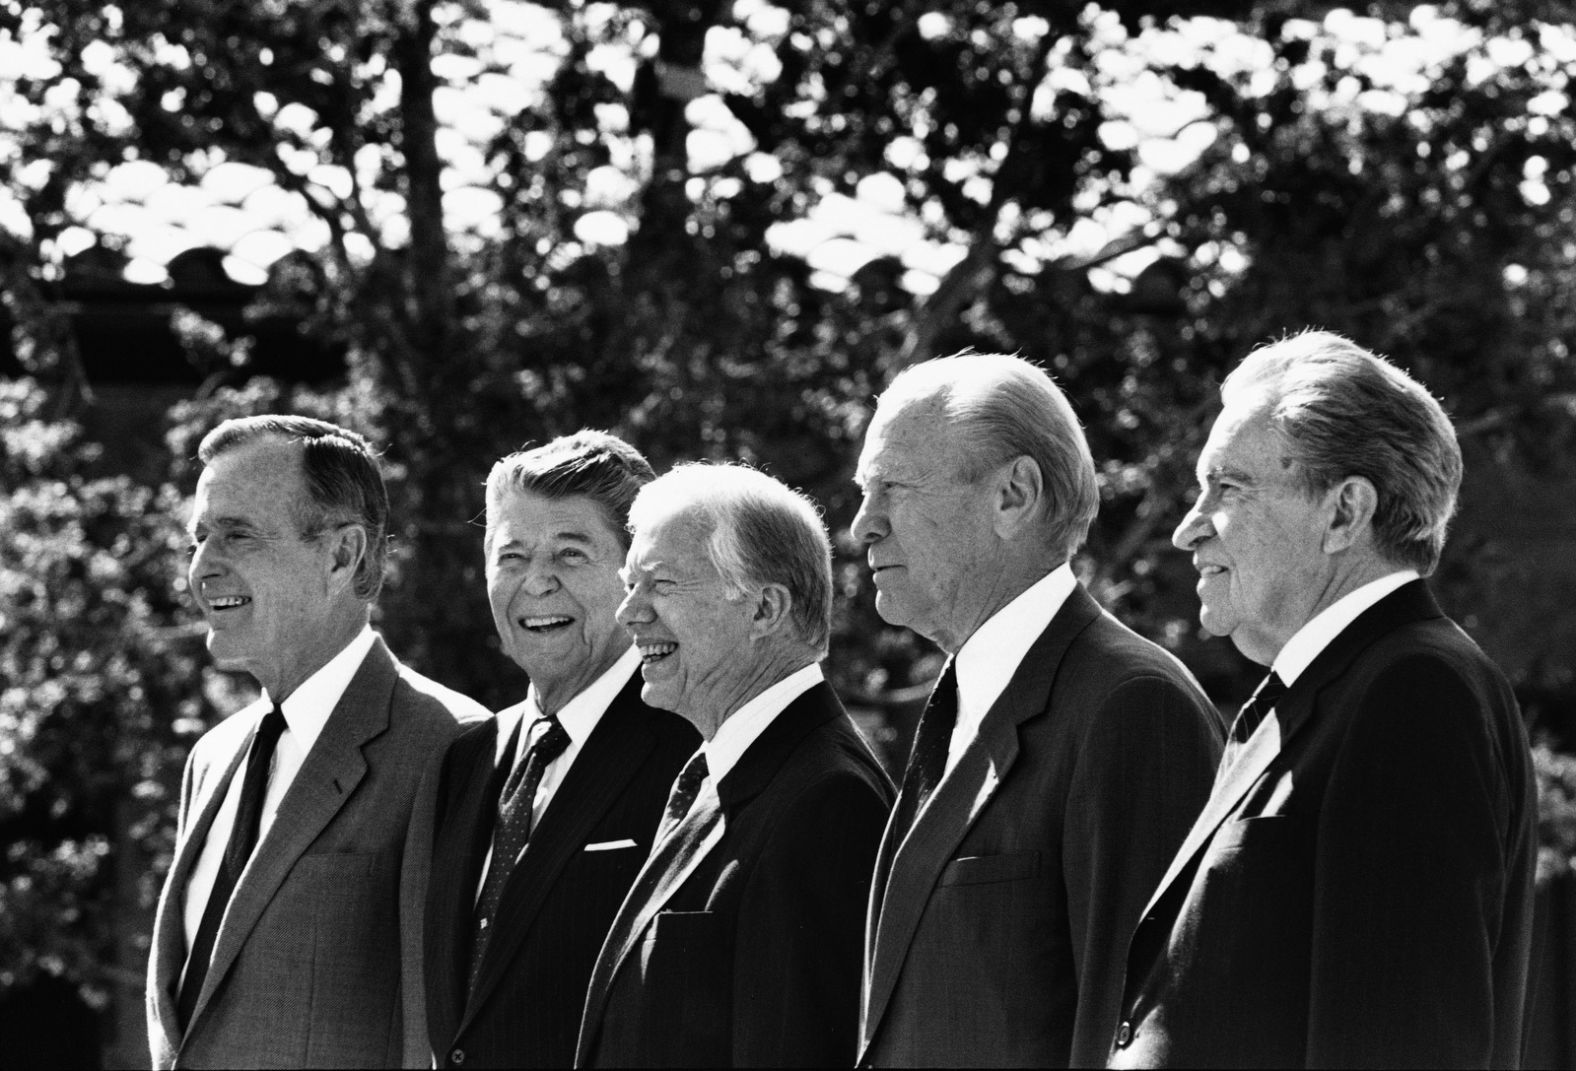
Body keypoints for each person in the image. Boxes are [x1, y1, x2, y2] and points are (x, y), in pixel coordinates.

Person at [1108, 331, 1537, 1068]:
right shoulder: (1329, 692)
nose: (1188, 526)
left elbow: (1402, 1046)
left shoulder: (1414, 693)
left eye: (1228, 487)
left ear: (1344, 512)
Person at [854, 353, 1224, 1068]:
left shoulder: (1132, 706)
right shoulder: (965, 699)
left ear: (1013, 493)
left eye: (891, 487)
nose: (862, 526)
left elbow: (1144, 1028)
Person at [145, 415, 488, 1068]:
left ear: (341, 555)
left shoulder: (449, 747)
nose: (200, 568)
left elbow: (438, 1044)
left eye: (236, 534)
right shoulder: (212, 757)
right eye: (198, 537)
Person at [575, 463, 894, 1068]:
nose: (628, 614)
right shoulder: (725, 769)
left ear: (764, 608)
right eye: (628, 585)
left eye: (660, 585)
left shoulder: (826, 802)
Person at [422, 432, 697, 1069]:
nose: (536, 583)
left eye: (570, 556)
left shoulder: (693, 748)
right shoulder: (467, 758)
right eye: (511, 556)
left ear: (638, 576)